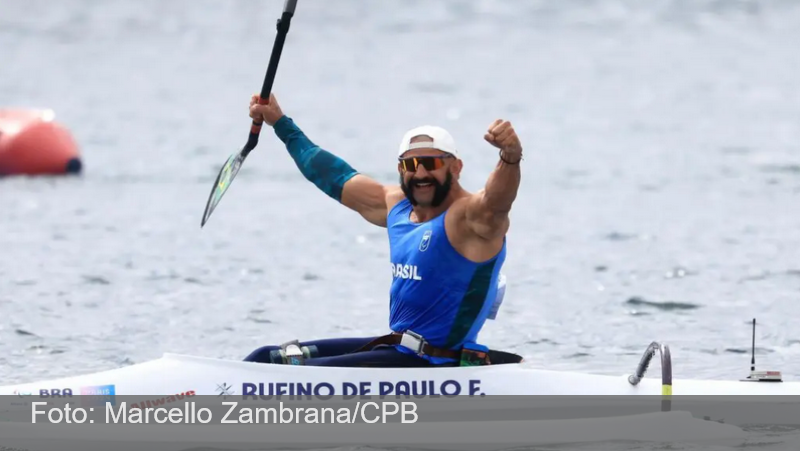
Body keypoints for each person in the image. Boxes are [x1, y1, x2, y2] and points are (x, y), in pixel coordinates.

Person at [243, 93, 523, 368]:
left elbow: (497, 202)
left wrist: (509, 158)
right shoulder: (397, 207)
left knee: (298, 374)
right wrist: (280, 123)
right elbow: (333, 175)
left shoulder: (469, 219)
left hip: (437, 365)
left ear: (456, 167)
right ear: (400, 170)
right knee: (264, 358)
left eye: (431, 163)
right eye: (411, 165)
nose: (421, 174)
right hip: (398, 349)